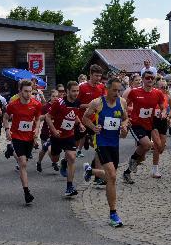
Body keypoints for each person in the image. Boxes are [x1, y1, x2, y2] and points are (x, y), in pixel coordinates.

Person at [82, 77, 129, 227]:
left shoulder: (122, 102)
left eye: (119, 90)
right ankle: (113, 213)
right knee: (113, 175)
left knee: (111, 177)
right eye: (114, 90)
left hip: (114, 143)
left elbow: (126, 118)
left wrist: (124, 126)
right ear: (107, 89)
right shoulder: (97, 103)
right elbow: (85, 118)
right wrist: (93, 127)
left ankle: (90, 171)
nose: (117, 93)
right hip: (101, 142)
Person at [122, 69, 166, 184]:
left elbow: (163, 106)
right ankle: (132, 164)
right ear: (142, 79)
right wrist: (126, 118)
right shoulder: (135, 92)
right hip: (136, 124)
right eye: (147, 78)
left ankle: (127, 171)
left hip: (149, 124)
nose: (150, 80)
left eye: (152, 78)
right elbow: (123, 105)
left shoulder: (157, 93)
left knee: (146, 149)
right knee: (147, 144)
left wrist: (164, 112)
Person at [3, 79, 43, 204]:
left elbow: (37, 118)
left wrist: (36, 129)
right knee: (23, 163)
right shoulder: (13, 105)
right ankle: (26, 192)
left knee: (25, 158)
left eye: (30, 91)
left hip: (30, 137)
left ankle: (11, 150)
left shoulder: (36, 104)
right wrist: (7, 130)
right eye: (25, 91)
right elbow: (5, 117)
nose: (28, 94)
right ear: (20, 91)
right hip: (17, 136)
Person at [46, 81, 82, 196]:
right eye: (73, 91)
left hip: (69, 135)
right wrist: (54, 130)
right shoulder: (59, 103)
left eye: (77, 90)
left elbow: (74, 114)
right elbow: (47, 116)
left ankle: (70, 187)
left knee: (72, 157)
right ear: (67, 91)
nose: (76, 93)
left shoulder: (77, 102)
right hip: (57, 135)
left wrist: (80, 123)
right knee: (54, 159)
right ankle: (50, 149)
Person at [77, 65, 106, 158]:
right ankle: (65, 161)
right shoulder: (82, 87)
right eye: (96, 76)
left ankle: (100, 161)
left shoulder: (101, 86)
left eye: (99, 76)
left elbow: (104, 102)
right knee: (74, 146)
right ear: (90, 74)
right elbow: (76, 105)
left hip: (94, 119)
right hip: (82, 119)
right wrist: (90, 106)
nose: (98, 78)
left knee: (100, 143)